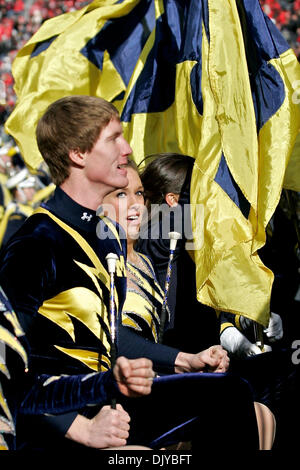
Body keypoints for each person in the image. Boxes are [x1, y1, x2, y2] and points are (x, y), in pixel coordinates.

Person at [0, 95, 261, 451]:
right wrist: (79, 428)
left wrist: (184, 360)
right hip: (54, 424)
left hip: (110, 402)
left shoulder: (106, 242)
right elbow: (5, 362)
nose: (126, 148)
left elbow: (109, 333)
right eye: (113, 139)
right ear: (78, 154)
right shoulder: (38, 242)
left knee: (234, 393)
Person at [103, 159, 276, 450]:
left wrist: (224, 336)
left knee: (261, 410)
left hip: (153, 386)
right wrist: (185, 359)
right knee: (232, 394)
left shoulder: (142, 262)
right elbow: (109, 335)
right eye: (121, 194)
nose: (135, 204)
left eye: (140, 194)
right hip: (115, 394)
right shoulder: (111, 258)